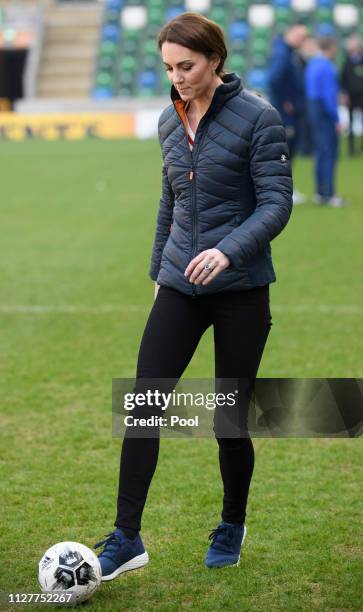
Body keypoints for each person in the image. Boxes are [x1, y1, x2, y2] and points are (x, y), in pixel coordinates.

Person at [95, 12, 292, 578]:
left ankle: (232, 523)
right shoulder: (167, 120)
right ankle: (126, 537)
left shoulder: (259, 117)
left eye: (187, 66)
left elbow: (277, 203)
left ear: (215, 61)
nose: (177, 77)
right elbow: (171, 200)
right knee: (143, 406)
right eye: (169, 68)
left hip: (241, 290)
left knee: (227, 421)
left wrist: (229, 251)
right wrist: (161, 270)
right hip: (180, 286)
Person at [267, 24, 308, 204]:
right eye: (300, 35)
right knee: (285, 151)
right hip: (286, 114)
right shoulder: (282, 53)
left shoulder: (290, 52)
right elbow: (274, 80)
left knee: (288, 151)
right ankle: (283, 190)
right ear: (290, 33)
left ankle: (285, 187)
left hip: (291, 112)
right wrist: (286, 102)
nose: (303, 40)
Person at [305, 36, 345, 207]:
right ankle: (328, 194)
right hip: (324, 112)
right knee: (329, 153)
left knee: (321, 153)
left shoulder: (313, 64)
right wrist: (337, 118)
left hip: (313, 109)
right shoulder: (327, 67)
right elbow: (329, 96)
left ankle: (321, 192)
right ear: (332, 48)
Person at [341, 33, 363, 156]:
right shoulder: (347, 62)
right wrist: (344, 94)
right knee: (350, 121)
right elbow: (343, 79)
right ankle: (351, 148)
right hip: (351, 96)